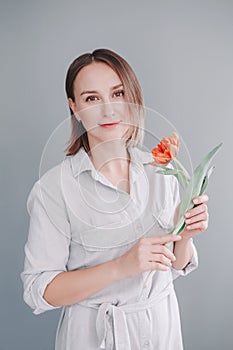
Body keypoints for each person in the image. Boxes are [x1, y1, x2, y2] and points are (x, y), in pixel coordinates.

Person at [20, 48, 209, 350]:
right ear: (75, 108)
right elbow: (39, 291)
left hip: (162, 329)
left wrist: (185, 236)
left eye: (118, 93)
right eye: (91, 98)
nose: (108, 110)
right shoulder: (53, 190)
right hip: (94, 337)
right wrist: (121, 266)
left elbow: (174, 267)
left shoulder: (164, 170)